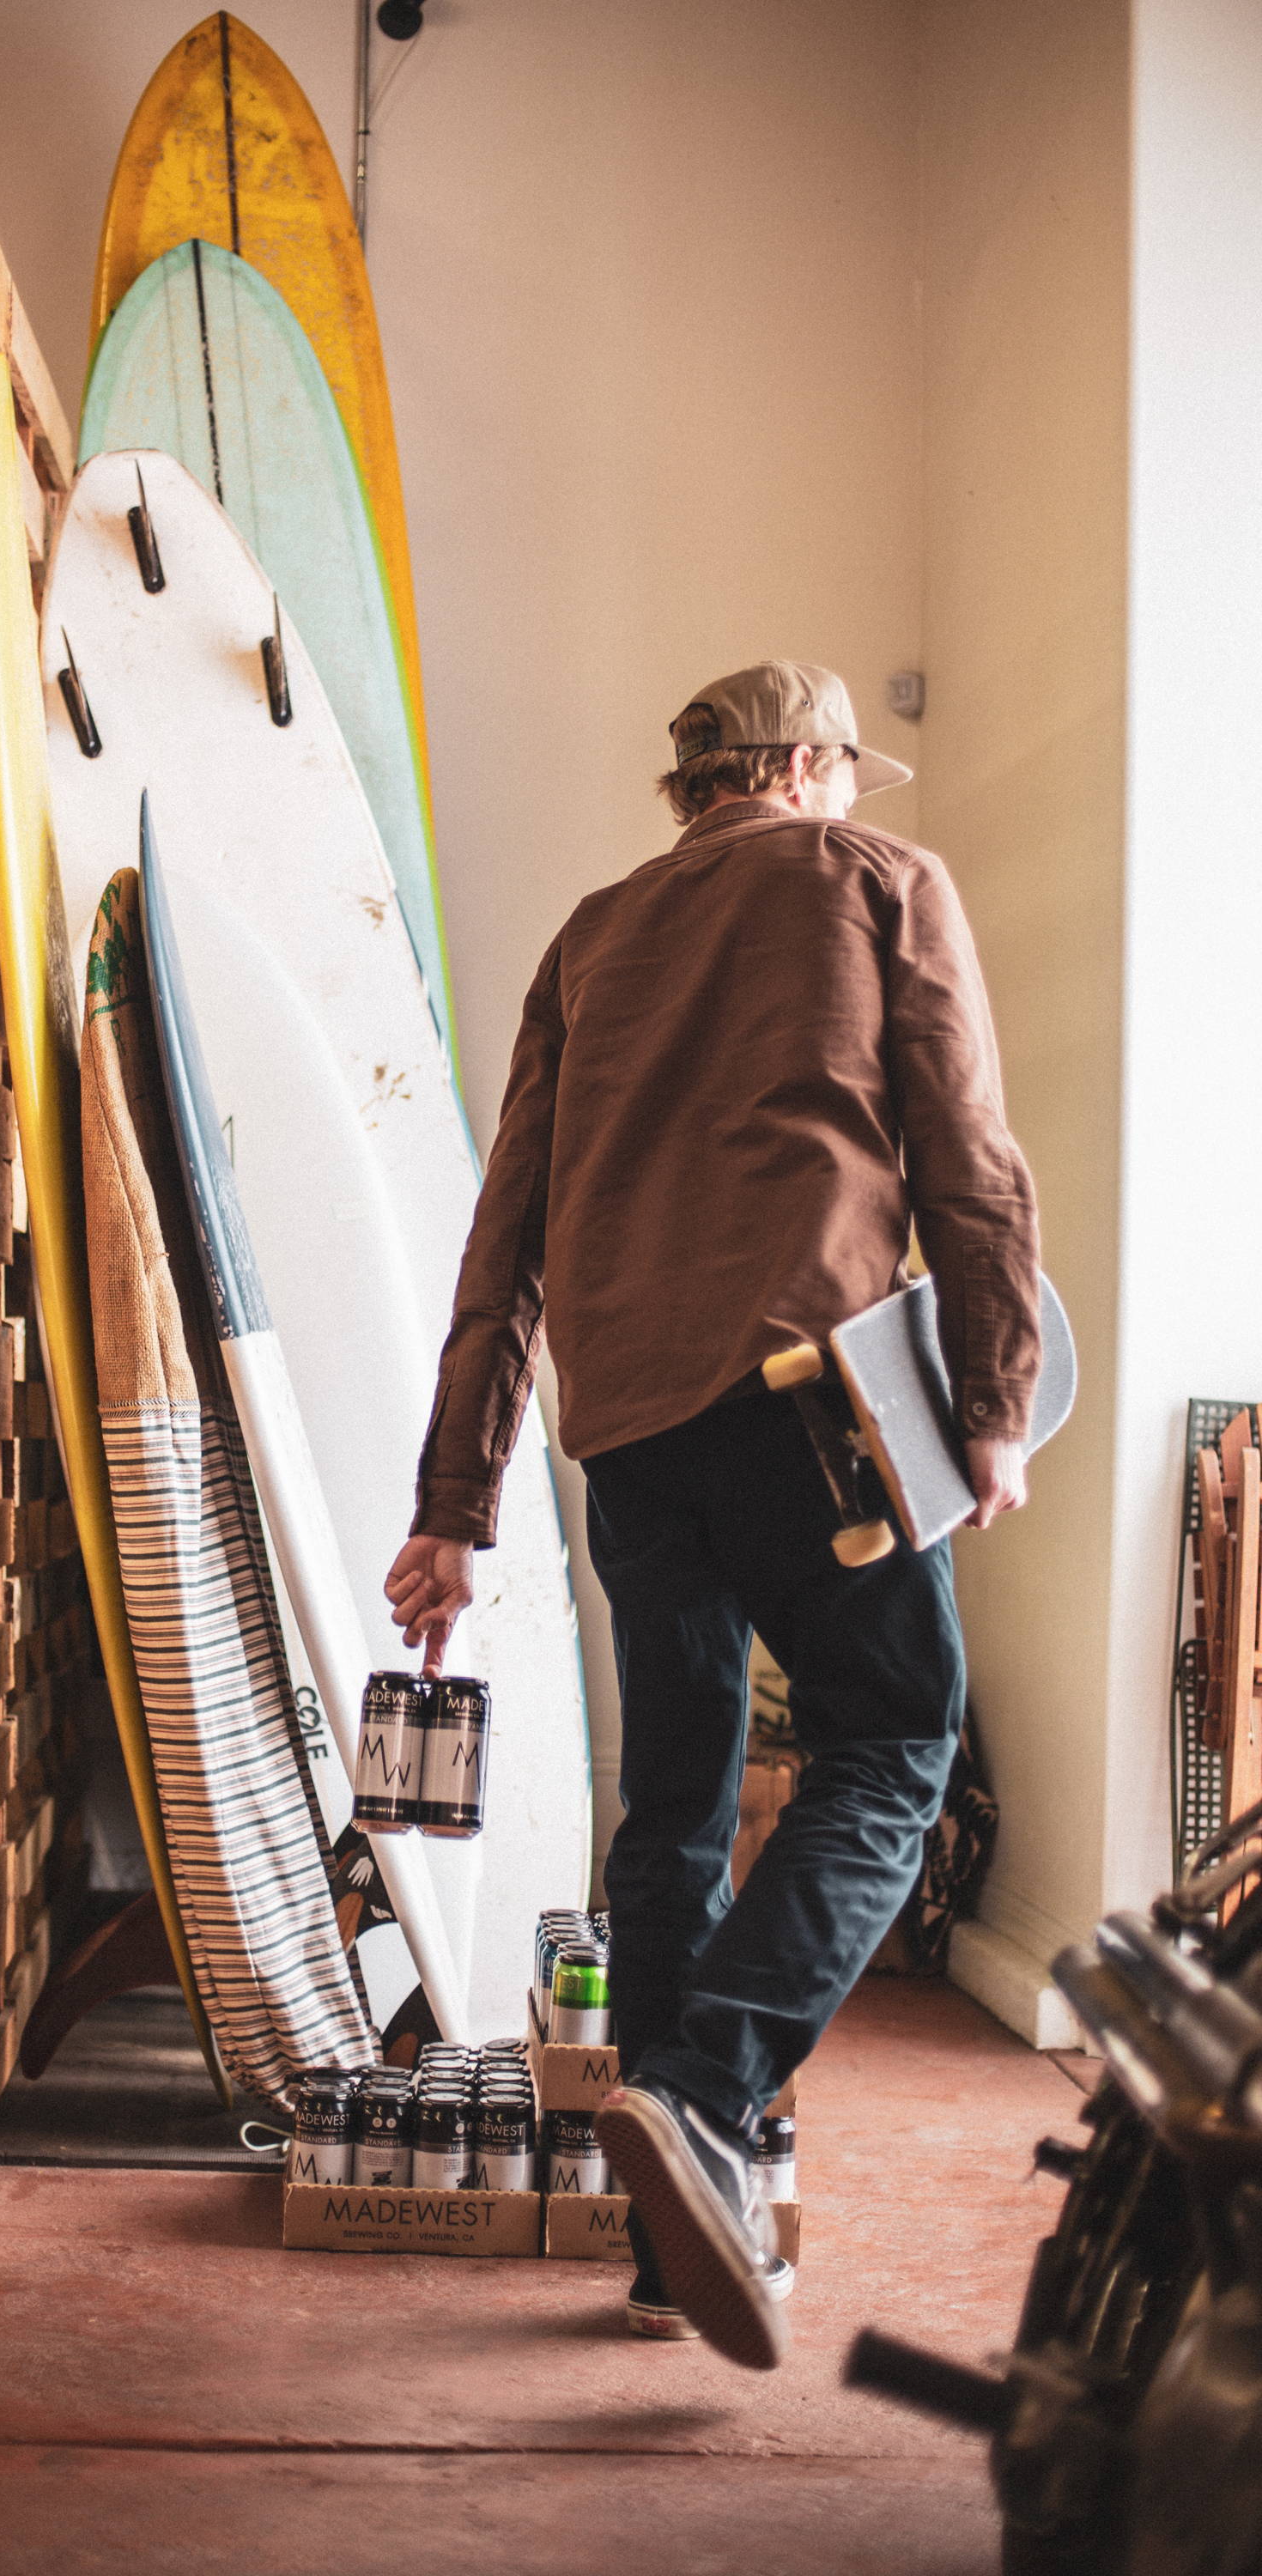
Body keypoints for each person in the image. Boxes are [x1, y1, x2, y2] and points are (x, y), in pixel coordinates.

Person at [385, 662, 1041, 2369]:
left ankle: (678, 2239)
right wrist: (990, 1404)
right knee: (895, 1740)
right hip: (806, 1398)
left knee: (672, 1793)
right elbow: (968, 1157)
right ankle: (701, 2092)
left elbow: (503, 1234)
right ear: (811, 764)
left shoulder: (592, 937)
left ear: (695, 786)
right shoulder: (877, 881)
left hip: (628, 1434)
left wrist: (454, 1502)